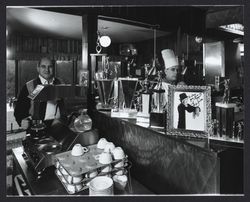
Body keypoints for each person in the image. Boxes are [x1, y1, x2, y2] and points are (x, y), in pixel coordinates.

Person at [14, 57, 67, 130]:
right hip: (36, 128)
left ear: (53, 68)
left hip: (58, 127)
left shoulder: (60, 84)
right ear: (38, 68)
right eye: (43, 66)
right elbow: (19, 111)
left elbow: (66, 106)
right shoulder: (30, 86)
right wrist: (22, 121)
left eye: (50, 67)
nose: (47, 70)